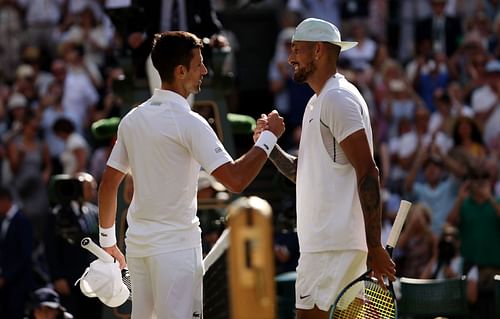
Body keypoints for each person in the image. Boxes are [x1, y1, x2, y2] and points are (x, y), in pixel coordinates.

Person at [97, 31, 284, 319]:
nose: (205, 70)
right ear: (181, 70)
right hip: (176, 251)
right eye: (199, 64)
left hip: (137, 247)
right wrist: (268, 139)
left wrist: (108, 241)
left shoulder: (131, 120)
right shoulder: (189, 122)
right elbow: (236, 180)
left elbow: (109, 183)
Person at [254, 18, 395, 319]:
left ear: (318, 50)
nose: (290, 58)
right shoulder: (317, 102)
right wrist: (269, 146)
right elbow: (301, 173)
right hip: (318, 247)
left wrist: (374, 246)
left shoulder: (338, 99)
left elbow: (368, 172)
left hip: (339, 247)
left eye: (296, 50)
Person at [0, 186, 33, 319]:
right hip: (5, 282)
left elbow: (24, 254)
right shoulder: (3, 220)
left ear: (5, 201)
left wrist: (6, 276)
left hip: (18, 283)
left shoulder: (22, 221)